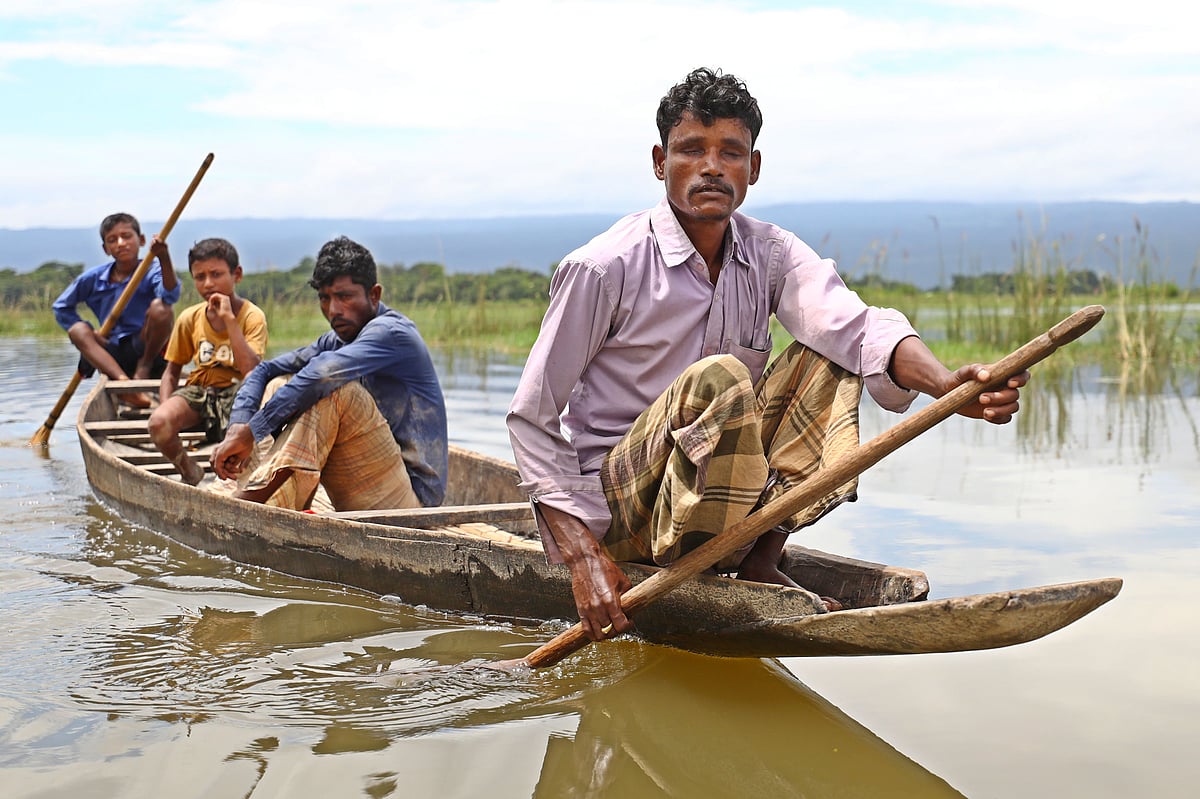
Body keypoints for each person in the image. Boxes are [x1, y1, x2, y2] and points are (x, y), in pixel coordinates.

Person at [505, 67, 1030, 642]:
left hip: (718, 502)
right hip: (625, 507)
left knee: (830, 357)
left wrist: (948, 385)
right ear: (661, 162)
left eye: (731, 152)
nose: (711, 166)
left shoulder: (771, 252)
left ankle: (760, 555)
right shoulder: (604, 267)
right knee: (722, 378)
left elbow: (857, 329)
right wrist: (583, 559)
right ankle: (697, 553)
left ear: (753, 167)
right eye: (691, 151)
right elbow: (532, 415)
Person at [210, 235, 448, 512]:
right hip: (360, 479)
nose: (334, 310)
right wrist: (239, 427)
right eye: (325, 298)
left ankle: (246, 505)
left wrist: (252, 432)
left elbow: (320, 376)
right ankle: (249, 486)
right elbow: (264, 369)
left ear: (374, 295)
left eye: (345, 297)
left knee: (334, 390)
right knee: (278, 384)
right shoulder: (336, 341)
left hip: (410, 499)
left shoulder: (392, 333)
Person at [148, 238, 268, 485]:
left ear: (237, 275)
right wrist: (166, 408)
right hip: (202, 393)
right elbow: (171, 372)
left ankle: (239, 480)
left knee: (255, 439)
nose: (208, 283)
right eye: (200, 277)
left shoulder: (252, 316)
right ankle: (188, 469)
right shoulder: (189, 318)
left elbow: (252, 372)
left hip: (240, 395)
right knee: (159, 421)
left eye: (216, 274)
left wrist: (229, 320)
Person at [52, 212, 181, 409]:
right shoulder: (94, 278)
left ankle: (143, 369)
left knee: (161, 309)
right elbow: (61, 307)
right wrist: (92, 334)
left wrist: (163, 258)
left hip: (146, 348)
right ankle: (122, 381)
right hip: (111, 350)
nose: (121, 243)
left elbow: (170, 296)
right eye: (112, 240)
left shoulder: (151, 269)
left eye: (127, 236)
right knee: (77, 331)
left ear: (142, 240)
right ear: (106, 249)